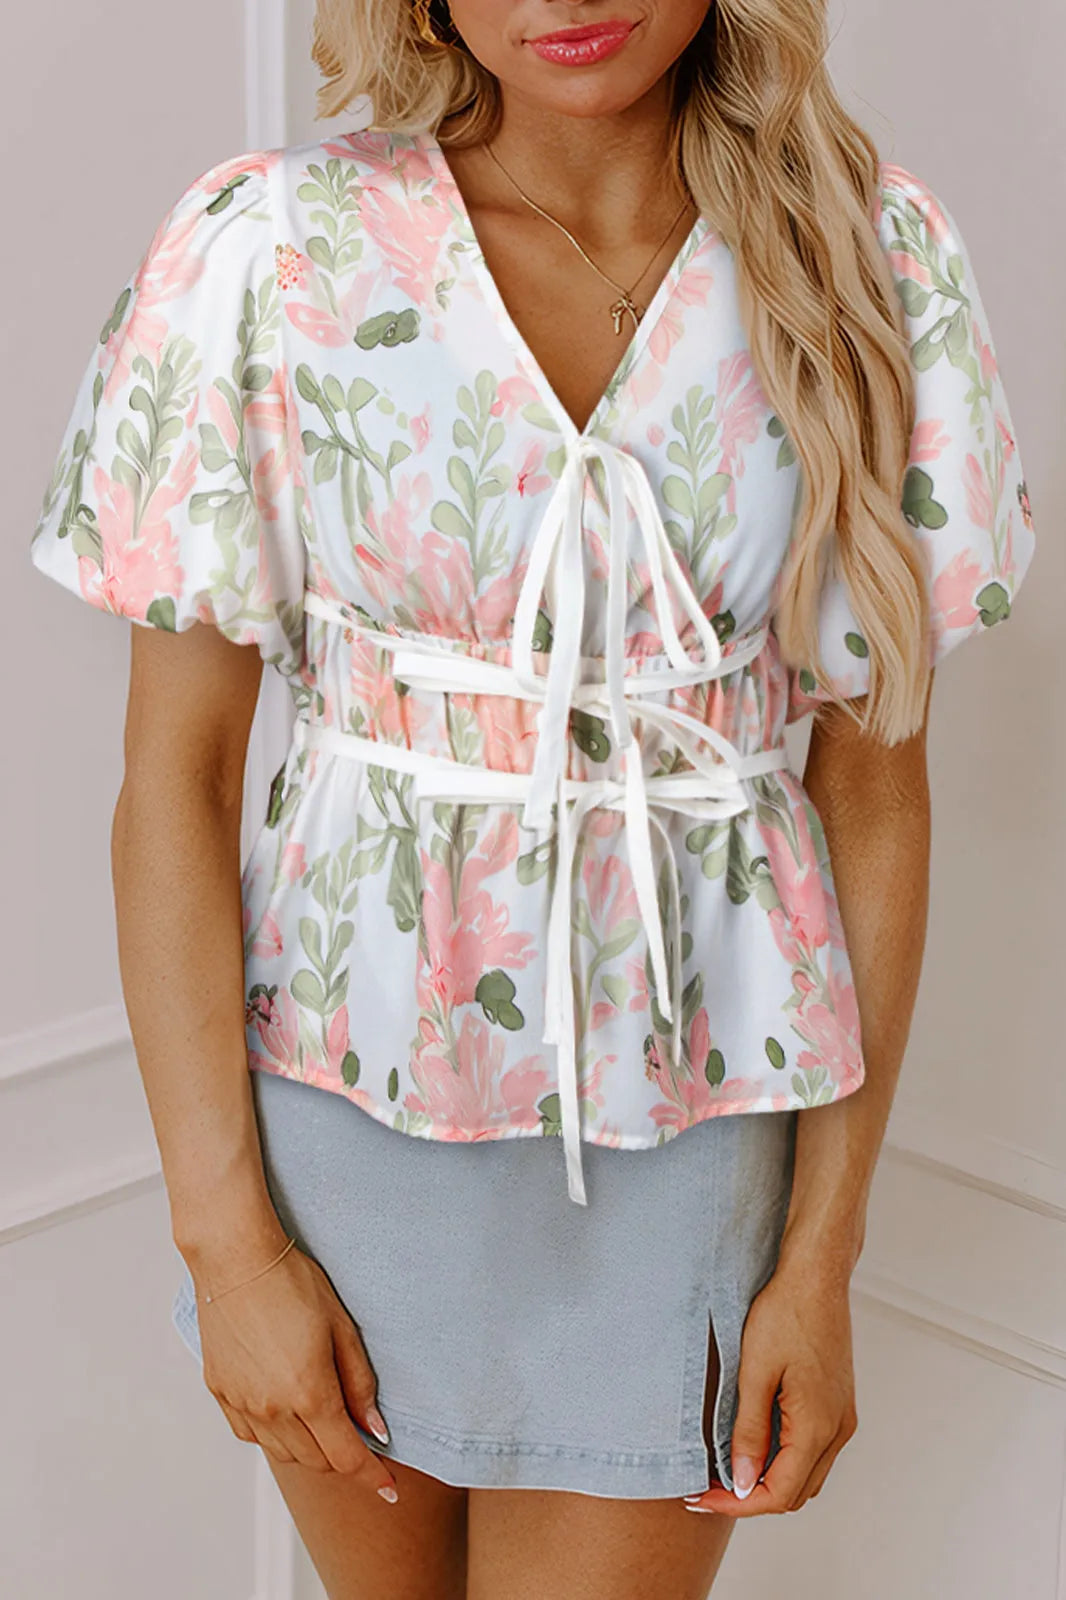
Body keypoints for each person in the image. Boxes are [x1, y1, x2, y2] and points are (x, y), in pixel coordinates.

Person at [29, 1, 1035, 1595]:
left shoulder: (870, 260)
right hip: (334, 1136)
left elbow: (875, 796)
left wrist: (819, 1260)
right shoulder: (267, 251)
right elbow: (178, 779)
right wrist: (227, 1245)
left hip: (686, 1138)